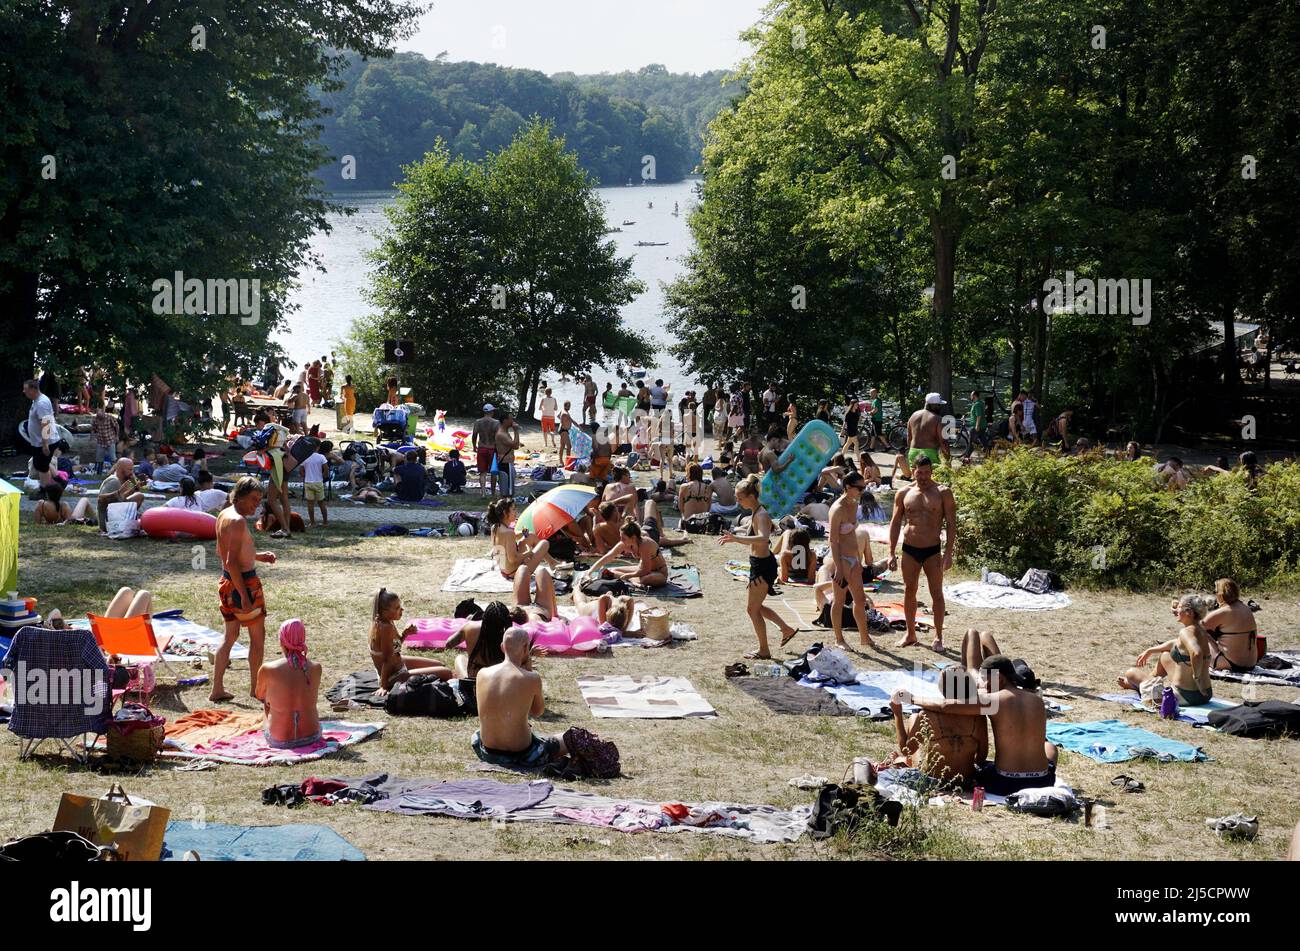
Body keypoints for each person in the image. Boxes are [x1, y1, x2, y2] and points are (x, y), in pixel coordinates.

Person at [912, 630, 1057, 796]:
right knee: (1050, 746)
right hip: (1042, 781)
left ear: (999, 678)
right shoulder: (1037, 700)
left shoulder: (993, 701)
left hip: (1005, 783)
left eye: (985, 679)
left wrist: (911, 698)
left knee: (982, 770)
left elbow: (946, 706)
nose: (983, 685)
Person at [720, 474, 800, 658]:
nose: (738, 502)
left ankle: (764, 649)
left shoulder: (761, 515)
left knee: (752, 609)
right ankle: (786, 629)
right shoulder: (756, 512)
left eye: (740, 498)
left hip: (763, 566)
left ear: (751, 497)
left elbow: (763, 539)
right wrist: (736, 538)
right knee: (756, 607)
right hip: (759, 564)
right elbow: (755, 540)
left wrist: (736, 538)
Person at [213, 477, 276, 702]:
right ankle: (255, 689)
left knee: (229, 637)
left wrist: (259, 556)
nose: (255, 506)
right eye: (252, 500)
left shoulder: (224, 515)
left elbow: (224, 553)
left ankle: (217, 689)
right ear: (238, 496)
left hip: (227, 583)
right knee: (257, 638)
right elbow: (231, 561)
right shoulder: (238, 521)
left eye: (259, 501)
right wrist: (244, 595)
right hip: (244, 585)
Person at [472, 627, 567, 769]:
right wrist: (528, 670)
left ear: (502, 647)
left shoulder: (482, 673)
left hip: (487, 750)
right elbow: (537, 712)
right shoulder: (531, 678)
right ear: (525, 648)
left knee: (477, 733)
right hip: (522, 754)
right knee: (569, 738)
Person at [888, 455, 956, 651]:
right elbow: (894, 523)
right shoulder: (903, 492)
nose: (923, 476)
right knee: (910, 591)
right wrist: (891, 552)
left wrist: (949, 553)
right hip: (909, 549)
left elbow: (951, 524)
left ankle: (938, 637)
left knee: (937, 593)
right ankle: (910, 634)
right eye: (920, 472)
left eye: (927, 472)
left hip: (932, 551)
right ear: (914, 471)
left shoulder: (943, 492)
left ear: (931, 471)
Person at [888, 667, 987, 786]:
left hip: (934, 781)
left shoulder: (927, 715)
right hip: (965, 781)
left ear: (943, 689)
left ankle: (906, 762)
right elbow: (982, 757)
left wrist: (897, 714)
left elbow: (906, 750)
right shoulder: (979, 717)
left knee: (913, 718)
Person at [1118, 594, 1214, 706]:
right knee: (1165, 655)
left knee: (1131, 673)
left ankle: (1143, 685)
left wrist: (1197, 678)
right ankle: (1149, 681)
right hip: (1205, 695)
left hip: (1184, 696)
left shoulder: (1186, 632)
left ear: (1190, 613)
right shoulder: (1200, 628)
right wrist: (1150, 650)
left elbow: (1197, 653)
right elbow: (1176, 643)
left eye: (1179, 607)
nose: (1177, 610)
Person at [369, 588, 453, 692]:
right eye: (397, 608)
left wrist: (405, 634)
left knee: (440, 665)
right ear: (384, 611)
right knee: (447, 672)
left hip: (398, 664)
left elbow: (394, 647)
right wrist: (383, 686)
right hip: (392, 676)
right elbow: (387, 660)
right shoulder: (385, 628)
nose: (402, 610)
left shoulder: (385, 620)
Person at [256, 619, 322, 749]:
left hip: (279, 740)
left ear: (281, 641)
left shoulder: (268, 669)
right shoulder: (316, 668)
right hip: (312, 737)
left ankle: (272, 727)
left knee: (267, 703)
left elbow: (260, 695)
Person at [827, 471, 875, 651]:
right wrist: (839, 567)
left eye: (864, 487)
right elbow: (833, 540)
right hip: (841, 560)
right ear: (848, 487)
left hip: (853, 559)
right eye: (860, 488)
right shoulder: (837, 509)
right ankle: (839, 639)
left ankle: (864, 636)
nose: (863, 491)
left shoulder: (854, 504)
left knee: (860, 600)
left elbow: (852, 534)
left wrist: (857, 560)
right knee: (838, 601)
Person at [487, 497, 559, 616]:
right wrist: (528, 553)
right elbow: (513, 558)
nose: (516, 512)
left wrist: (524, 534)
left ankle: (552, 562)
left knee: (530, 535)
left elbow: (509, 540)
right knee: (544, 543)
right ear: (505, 513)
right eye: (513, 509)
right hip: (514, 572)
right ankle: (552, 562)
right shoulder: (508, 533)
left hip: (504, 568)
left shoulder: (496, 527)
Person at [587, 518, 669, 589]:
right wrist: (590, 571)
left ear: (633, 537)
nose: (621, 540)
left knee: (645, 579)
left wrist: (629, 576)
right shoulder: (625, 543)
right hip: (640, 570)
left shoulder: (645, 544)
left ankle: (632, 580)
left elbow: (645, 570)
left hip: (658, 572)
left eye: (623, 538)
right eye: (620, 537)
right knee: (611, 570)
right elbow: (609, 556)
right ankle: (633, 581)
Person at [1200, 578, 1259, 673]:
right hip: (1251, 664)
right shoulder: (1246, 608)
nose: (1214, 595)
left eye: (1215, 591)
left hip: (1230, 664)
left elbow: (1196, 627)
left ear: (1221, 594)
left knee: (1199, 632)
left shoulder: (1224, 611)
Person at [18, 379, 66, 489]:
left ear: (33, 389)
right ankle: (59, 481)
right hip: (39, 442)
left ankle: (45, 490)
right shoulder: (36, 400)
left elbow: (46, 424)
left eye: (26, 389)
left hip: (45, 442)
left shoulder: (42, 403)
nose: (24, 391)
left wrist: (45, 444)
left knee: (42, 467)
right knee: (40, 464)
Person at [96, 457, 146, 533]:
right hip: (108, 522)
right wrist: (118, 492)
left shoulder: (126, 480)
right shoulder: (113, 481)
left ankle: (130, 520)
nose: (132, 472)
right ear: (121, 470)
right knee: (139, 496)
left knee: (139, 496)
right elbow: (101, 498)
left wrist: (135, 482)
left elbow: (123, 496)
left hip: (117, 514)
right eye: (130, 470)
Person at [472, 404, 499, 496]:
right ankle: (493, 493)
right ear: (491, 412)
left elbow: (474, 435)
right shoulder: (496, 422)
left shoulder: (478, 422)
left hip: (482, 447)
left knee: (482, 472)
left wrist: (474, 446)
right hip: (492, 448)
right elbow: (498, 437)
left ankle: (483, 492)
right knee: (493, 472)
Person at [300, 443, 329, 526]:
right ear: (318, 448)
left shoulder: (305, 457)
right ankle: (325, 522)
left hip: (308, 482)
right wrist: (322, 476)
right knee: (321, 503)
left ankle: (312, 522)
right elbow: (326, 469)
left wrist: (305, 476)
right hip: (318, 482)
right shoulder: (321, 457)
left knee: (310, 504)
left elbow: (301, 470)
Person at [494, 412, 521, 498]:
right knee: (507, 492)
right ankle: (505, 508)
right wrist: (516, 431)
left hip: (508, 464)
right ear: (505, 421)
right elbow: (516, 446)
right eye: (511, 419)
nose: (512, 421)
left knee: (509, 490)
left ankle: (506, 506)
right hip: (505, 464)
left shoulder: (504, 433)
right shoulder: (501, 434)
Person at [91, 406, 119, 475]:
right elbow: (93, 428)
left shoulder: (110, 417)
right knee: (99, 458)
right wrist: (92, 436)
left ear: (103, 413)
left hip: (110, 440)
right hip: (100, 441)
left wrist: (117, 435)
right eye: (98, 416)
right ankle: (99, 473)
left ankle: (116, 472)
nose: (99, 418)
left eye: (100, 416)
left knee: (113, 457)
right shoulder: (95, 419)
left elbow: (116, 426)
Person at [965, 389, 990, 457]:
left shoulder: (977, 404)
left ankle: (966, 458)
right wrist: (968, 413)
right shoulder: (980, 403)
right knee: (984, 442)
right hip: (982, 426)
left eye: (971, 395)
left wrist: (977, 426)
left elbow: (979, 415)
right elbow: (977, 413)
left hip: (977, 426)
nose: (970, 396)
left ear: (974, 396)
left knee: (971, 443)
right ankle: (989, 455)